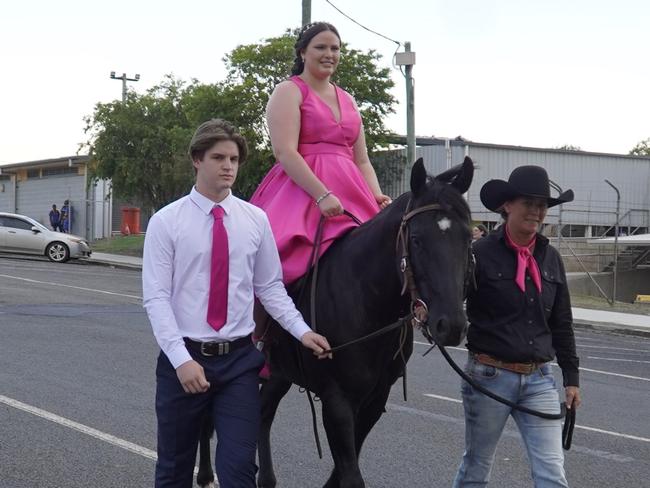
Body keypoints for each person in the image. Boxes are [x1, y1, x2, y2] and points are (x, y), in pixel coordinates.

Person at [142, 119, 331, 488]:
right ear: (197, 159)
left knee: (240, 470)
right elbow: (156, 298)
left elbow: (270, 288)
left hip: (238, 364)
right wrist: (182, 361)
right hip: (185, 359)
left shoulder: (255, 220)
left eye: (234, 158)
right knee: (173, 473)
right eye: (218, 157)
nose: (228, 165)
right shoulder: (167, 222)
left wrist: (302, 331)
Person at [453, 165, 581, 488]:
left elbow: (562, 323)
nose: (537, 212)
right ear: (507, 205)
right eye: (529, 203)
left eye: (542, 206)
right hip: (489, 377)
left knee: (552, 471)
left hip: (539, 379)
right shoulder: (479, 253)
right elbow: (451, 302)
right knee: (476, 468)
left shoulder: (550, 258)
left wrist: (572, 378)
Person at [249, 21, 391, 285]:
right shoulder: (289, 91)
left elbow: (361, 159)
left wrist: (375, 194)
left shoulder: (348, 99)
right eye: (321, 47)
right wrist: (321, 195)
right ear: (303, 52)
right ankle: (259, 326)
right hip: (302, 192)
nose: (330, 54)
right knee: (270, 264)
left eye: (335, 48)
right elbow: (285, 152)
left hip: (352, 192)